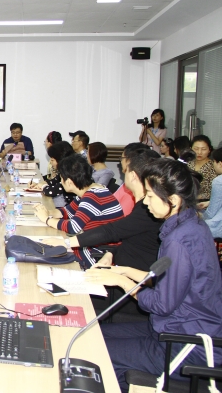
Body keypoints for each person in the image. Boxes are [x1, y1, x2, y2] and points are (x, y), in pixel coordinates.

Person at [86, 158, 222, 392]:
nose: (145, 201)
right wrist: (124, 270)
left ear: (173, 200)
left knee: (93, 352)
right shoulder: (190, 225)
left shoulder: (179, 240)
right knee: (92, 336)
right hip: (171, 328)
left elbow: (161, 304)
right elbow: (170, 280)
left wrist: (122, 281)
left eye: (150, 196)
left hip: (188, 343)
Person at [43, 149, 162, 271]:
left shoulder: (145, 210)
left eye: (126, 170)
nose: (123, 172)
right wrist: (111, 254)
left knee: (52, 260)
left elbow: (109, 231)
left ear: (132, 176)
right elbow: (124, 239)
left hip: (102, 255)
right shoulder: (142, 207)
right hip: (108, 255)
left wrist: (51, 225)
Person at [34, 154, 124, 267]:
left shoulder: (93, 196)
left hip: (101, 254)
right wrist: (47, 212)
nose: (60, 182)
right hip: (93, 245)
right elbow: (66, 212)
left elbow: (73, 227)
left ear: (69, 182)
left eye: (61, 178)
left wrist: (47, 220)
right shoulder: (90, 190)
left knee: (48, 256)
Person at [31, 141, 75, 208]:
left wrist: (42, 186)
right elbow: (52, 181)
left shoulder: (70, 173)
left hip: (66, 208)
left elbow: (51, 191)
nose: (50, 162)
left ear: (60, 160)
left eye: (52, 160)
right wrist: (37, 183)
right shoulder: (63, 171)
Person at [114, 143, 150, 216]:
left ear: (129, 160)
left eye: (122, 158)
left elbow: (122, 215)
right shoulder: (127, 184)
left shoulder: (132, 187)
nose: (121, 161)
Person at [187, 134, 216, 200]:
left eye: (203, 149)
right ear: (191, 149)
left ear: (209, 150)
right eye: (196, 149)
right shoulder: (188, 164)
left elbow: (215, 192)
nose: (199, 152)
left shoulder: (214, 167)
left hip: (205, 202)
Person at [202, 147, 222, 239]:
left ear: (220, 164)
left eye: (214, 161)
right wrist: (209, 202)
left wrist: (199, 216)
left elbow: (211, 213)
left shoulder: (219, 181)